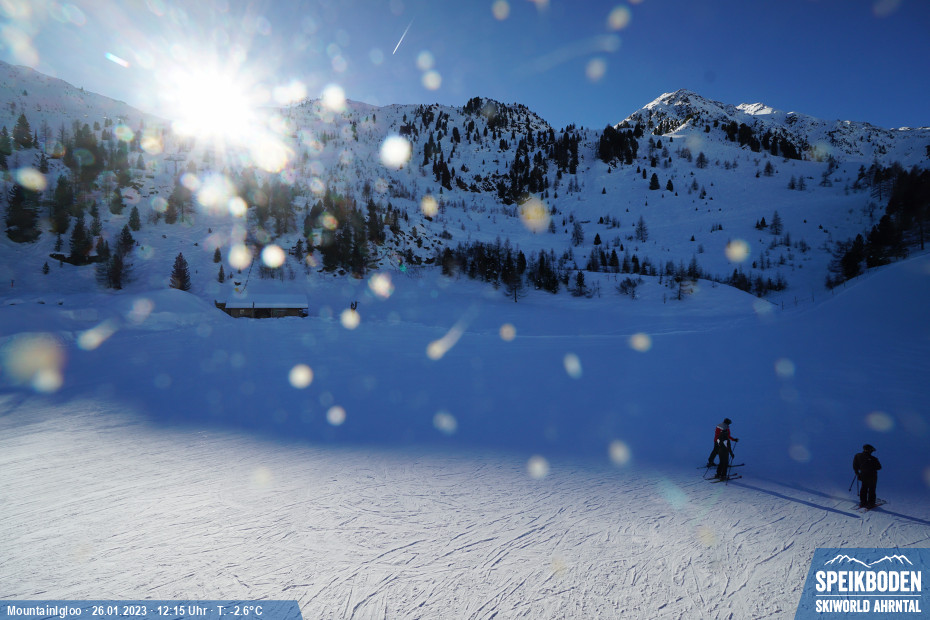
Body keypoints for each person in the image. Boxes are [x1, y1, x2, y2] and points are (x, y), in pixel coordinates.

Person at [853, 444, 882, 508]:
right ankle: (871, 504)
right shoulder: (874, 459)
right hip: (872, 476)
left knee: (864, 488)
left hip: (863, 475)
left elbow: (855, 466)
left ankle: (863, 502)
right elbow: (879, 467)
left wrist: (857, 473)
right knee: (872, 489)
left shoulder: (857, 456)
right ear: (870, 450)